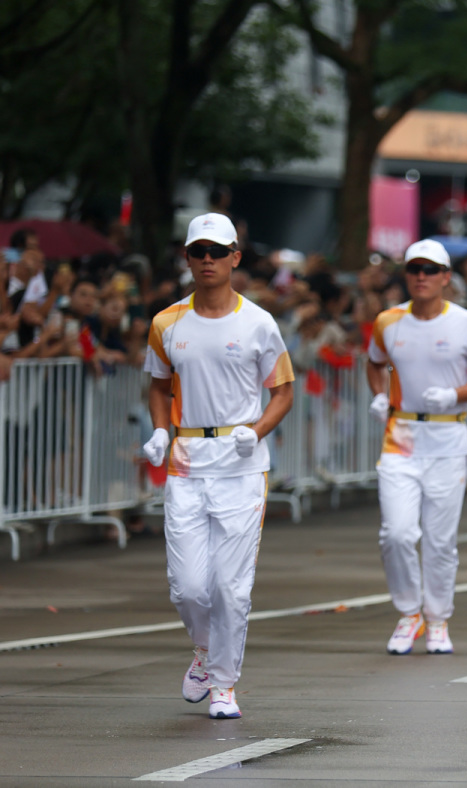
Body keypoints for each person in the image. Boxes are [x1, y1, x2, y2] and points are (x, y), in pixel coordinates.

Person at [141, 213, 294, 719]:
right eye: (197, 252)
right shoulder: (167, 322)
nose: (207, 260)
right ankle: (205, 652)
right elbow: (158, 384)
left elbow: (283, 391)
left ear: (235, 257)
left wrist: (256, 430)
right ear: (187, 259)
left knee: (231, 586)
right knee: (187, 586)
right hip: (186, 462)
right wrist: (162, 430)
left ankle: (225, 683)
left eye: (216, 252)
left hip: (242, 464)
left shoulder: (257, 322)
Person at [366, 238, 467, 656]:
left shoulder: (465, 323)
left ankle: (438, 618)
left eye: (430, 271)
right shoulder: (388, 321)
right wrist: (380, 395)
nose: (421, 277)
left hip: (447, 436)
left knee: (440, 540)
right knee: (398, 533)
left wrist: (456, 395)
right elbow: (374, 362)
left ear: (445, 277)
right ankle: (410, 613)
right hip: (401, 436)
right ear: (407, 275)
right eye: (414, 270)